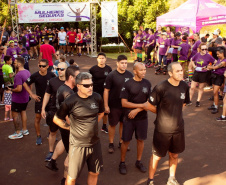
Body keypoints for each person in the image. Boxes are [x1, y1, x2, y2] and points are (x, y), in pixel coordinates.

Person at [53, 72, 104, 185]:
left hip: (94, 143)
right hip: (77, 145)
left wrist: (91, 125)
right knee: (71, 178)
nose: (90, 87)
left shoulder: (97, 97)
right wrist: (70, 128)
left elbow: (101, 113)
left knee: (94, 173)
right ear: (78, 86)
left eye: (91, 84)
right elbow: (56, 119)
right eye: (86, 85)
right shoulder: (70, 101)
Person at [144, 62, 190, 185]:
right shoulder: (161, 87)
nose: (181, 73)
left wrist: (175, 114)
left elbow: (184, 104)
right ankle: (150, 180)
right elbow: (149, 105)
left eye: (181, 70)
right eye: (178, 71)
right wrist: (162, 114)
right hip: (162, 130)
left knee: (174, 155)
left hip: (178, 128)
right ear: (170, 73)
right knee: (157, 157)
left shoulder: (185, 86)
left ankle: (171, 178)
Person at [46, 65, 80, 185]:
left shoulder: (62, 87)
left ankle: (52, 160)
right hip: (68, 125)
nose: (80, 79)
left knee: (62, 141)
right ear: (71, 77)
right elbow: (68, 115)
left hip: (62, 124)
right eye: (78, 77)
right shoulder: (68, 93)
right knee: (71, 155)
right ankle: (65, 180)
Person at [119, 62, 151, 175]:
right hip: (129, 118)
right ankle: (122, 162)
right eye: (141, 70)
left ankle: (138, 161)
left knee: (140, 139)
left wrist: (138, 109)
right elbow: (124, 103)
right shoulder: (127, 84)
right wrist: (142, 106)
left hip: (142, 117)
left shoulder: (147, 83)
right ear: (135, 71)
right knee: (126, 140)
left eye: (145, 70)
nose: (144, 72)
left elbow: (148, 102)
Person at [104, 55, 133, 153]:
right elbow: (106, 91)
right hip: (114, 105)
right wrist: (106, 105)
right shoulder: (111, 75)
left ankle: (121, 142)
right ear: (117, 63)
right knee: (112, 124)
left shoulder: (130, 75)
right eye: (122, 63)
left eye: (125, 63)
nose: (124, 65)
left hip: (126, 105)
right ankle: (111, 143)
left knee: (123, 123)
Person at [23, 59, 55, 145]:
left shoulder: (51, 75)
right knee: (38, 118)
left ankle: (50, 134)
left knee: (50, 117)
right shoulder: (35, 75)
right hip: (39, 100)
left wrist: (53, 94)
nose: (41, 68)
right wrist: (32, 94)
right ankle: (38, 136)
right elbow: (25, 83)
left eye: (43, 66)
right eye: (40, 66)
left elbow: (56, 83)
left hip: (49, 100)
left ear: (47, 66)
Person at [41, 62, 67, 161]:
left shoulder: (71, 81)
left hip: (67, 113)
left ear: (67, 70)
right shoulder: (52, 81)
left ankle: (69, 153)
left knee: (69, 133)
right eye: (58, 69)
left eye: (62, 69)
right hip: (54, 112)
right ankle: (51, 151)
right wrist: (43, 108)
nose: (59, 71)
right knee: (52, 132)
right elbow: (47, 95)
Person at [8, 57, 31, 139]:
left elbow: (19, 89)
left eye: (15, 62)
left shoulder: (18, 75)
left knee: (15, 114)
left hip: (18, 98)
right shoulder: (27, 72)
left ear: (19, 64)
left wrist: (11, 89)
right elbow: (30, 85)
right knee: (23, 112)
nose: (14, 63)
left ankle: (18, 132)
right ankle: (24, 130)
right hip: (25, 97)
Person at [89, 52, 112, 133]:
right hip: (95, 93)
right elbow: (89, 81)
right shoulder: (92, 69)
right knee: (94, 110)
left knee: (105, 111)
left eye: (103, 58)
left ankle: (104, 126)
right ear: (97, 59)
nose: (101, 60)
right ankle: (93, 126)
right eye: (100, 58)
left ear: (105, 59)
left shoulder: (109, 69)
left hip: (105, 93)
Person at [207, 47, 226, 114]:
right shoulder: (219, 59)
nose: (217, 55)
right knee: (214, 92)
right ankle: (215, 104)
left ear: (222, 53)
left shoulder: (224, 61)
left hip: (219, 77)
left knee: (215, 92)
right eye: (217, 54)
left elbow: (215, 67)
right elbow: (214, 65)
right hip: (214, 76)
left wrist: (209, 67)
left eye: (218, 54)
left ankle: (216, 107)